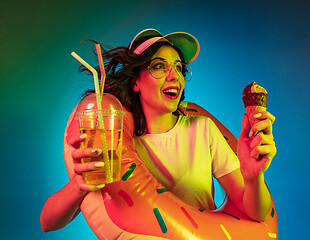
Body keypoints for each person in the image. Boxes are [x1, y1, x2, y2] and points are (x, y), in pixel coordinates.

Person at [40, 28, 276, 232]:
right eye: (159, 66)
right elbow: (47, 223)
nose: (174, 75)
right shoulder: (116, 144)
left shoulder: (203, 131)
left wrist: (253, 177)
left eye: (178, 67)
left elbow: (257, 214)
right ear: (136, 82)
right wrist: (78, 185)